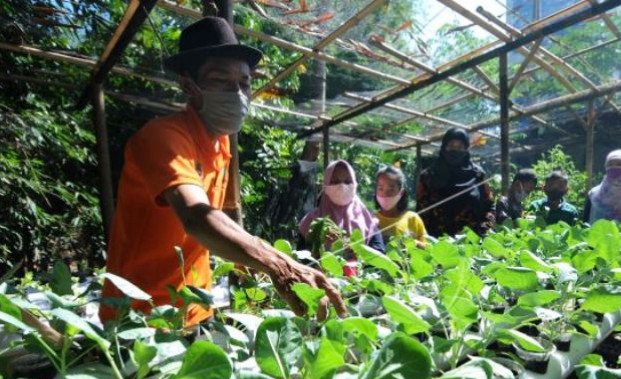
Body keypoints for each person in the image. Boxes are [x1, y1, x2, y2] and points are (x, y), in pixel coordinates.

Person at [100, 17, 345, 326]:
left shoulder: (222, 146)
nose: (237, 93)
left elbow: (224, 214)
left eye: (244, 83)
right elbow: (197, 216)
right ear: (189, 85)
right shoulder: (163, 137)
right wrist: (280, 264)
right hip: (140, 317)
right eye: (220, 80)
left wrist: (247, 269)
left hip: (196, 306)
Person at [416, 128, 495, 237]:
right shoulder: (428, 176)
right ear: (444, 147)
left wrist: (483, 230)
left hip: (471, 243)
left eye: (460, 147)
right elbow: (420, 211)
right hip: (437, 243)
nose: (455, 150)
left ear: (466, 149)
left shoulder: (478, 175)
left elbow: (490, 207)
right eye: (451, 146)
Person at [299, 160, 385, 254]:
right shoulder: (311, 221)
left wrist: (356, 253)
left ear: (355, 184)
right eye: (335, 182)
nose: (342, 186)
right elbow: (301, 257)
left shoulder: (367, 221)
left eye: (348, 181)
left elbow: (378, 255)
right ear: (326, 186)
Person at [374, 165, 427, 243]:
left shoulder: (413, 219)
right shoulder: (371, 220)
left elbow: (427, 248)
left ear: (401, 192)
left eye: (391, 189)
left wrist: (414, 244)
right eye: (380, 188)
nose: (385, 194)